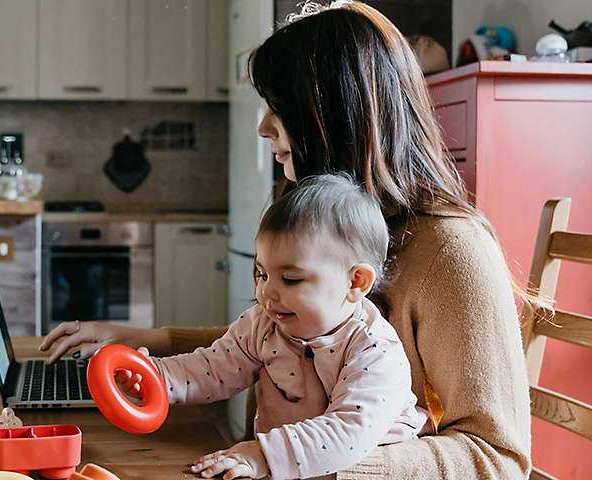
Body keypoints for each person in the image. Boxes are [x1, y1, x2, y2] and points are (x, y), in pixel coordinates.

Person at [40, 2, 532, 478]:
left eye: (279, 108)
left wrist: (308, 462)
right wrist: (155, 344)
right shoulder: (316, 227)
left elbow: (497, 460)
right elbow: (276, 345)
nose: (262, 127)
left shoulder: (452, 251)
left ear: (338, 115)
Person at [118, 174, 427, 479]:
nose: (265, 292)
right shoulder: (262, 325)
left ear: (355, 282)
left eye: (290, 279)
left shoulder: (375, 351)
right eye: (262, 273)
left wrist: (262, 454)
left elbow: (347, 432)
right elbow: (212, 367)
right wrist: (156, 377)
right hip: (281, 468)